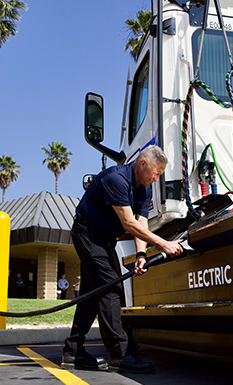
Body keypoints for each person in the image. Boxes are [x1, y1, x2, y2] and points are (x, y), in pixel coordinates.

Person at [61, 145, 183, 374]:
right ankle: (121, 355)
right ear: (143, 163)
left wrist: (141, 254)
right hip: (88, 233)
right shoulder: (116, 179)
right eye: (156, 173)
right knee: (111, 289)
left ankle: (73, 352)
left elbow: (142, 221)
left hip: (105, 239)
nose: (156, 179)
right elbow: (128, 223)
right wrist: (164, 244)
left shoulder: (144, 187)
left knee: (92, 293)